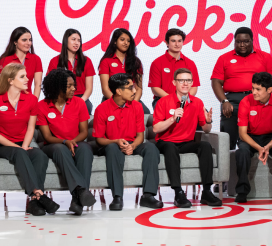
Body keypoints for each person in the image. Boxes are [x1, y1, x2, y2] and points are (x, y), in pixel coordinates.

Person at [153, 68, 222, 208]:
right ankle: (178, 193)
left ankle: (207, 191)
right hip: (166, 142)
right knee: (170, 146)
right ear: (174, 82)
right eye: (181, 80)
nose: (185, 84)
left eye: (188, 80)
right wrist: (173, 118)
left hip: (186, 143)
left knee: (205, 146)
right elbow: (155, 129)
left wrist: (208, 121)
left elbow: (206, 130)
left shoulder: (197, 102)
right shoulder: (163, 102)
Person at [93, 73, 162, 210]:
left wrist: (132, 146)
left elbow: (140, 136)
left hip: (133, 142)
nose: (134, 91)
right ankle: (117, 197)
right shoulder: (101, 109)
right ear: (118, 91)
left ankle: (148, 196)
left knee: (151, 148)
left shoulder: (137, 106)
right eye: (130, 88)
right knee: (112, 149)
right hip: (112, 144)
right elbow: (99, 139)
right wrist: (117, 142)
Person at [0, 63, 60, 216]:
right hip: (3, 143)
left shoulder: (32, 100)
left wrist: (25, 145)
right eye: (22, 76)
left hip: (21, 142)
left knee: (40, 155)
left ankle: (35, 201)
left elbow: (31, 127)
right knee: (19, 153)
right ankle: (39, 193)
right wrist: (18, 148)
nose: (28, 79)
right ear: (10, 80)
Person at [37, 68, 96, 215]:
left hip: (76, 141)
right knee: (60, 149)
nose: (74, 89)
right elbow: (47, 136)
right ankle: (81, 190)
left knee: (85, 149)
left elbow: (84, 132)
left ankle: (77, 202)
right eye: (69, 86)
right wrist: (65, 142)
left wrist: (72, 142)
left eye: (74, 85)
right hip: (53, 145)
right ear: (58, 87)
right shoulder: (42, 106)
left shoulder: (79, 103)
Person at [211, 27, 272, 150]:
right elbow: (216, 82)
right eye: (238, 42)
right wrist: (224, 101)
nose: (242, 45)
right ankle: (227, 164)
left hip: (259, 99)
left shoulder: (265, 57)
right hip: (233, 99)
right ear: (234, 42)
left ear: (252, 41)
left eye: (246, 41)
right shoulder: (224, 58)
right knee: (227, 135)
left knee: (264, 134)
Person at [235, 72, 272, 203]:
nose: (254, 92)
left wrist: (267, 147)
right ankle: (242, 191)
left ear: (269, 90)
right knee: (242, 152)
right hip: (249, 137)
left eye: (258, 89)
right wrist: (259, 148)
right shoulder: (245, 101)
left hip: (269, 137)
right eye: (253, 88)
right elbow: (242, 134)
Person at [98, 28, 150, 114]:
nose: (126, 43)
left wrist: (134, 104)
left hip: (131, 100)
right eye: (122, 40)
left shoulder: (136, 61)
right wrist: (118, 104)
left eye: (128, 41)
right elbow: (105, 89)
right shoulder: (106, 61)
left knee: (146, 113)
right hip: (112, 100)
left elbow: (139, 88)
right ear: (115, 41)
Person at [47, 29, 96, 115]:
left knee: (86, 107)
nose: (76, 43)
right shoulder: (55, 61)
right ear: (66, 41)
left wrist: (80, 101)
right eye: (73, 39)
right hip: (61, 97)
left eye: (79, 40)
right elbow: (50, 85)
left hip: (81, 97)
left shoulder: (86, 61)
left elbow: (89, 88)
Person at [148, 28, 200, 110]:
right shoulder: (157, 63)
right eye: (173, 41)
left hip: (185, 100)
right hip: (163, 100)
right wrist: (173, 100)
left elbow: (194, 87)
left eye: (179, 41)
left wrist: (183, 99)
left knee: (203, 115)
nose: (177, 44)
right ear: (166, 42)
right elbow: (155, 88)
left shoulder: (190, 63)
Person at [0, 27, 43, 98]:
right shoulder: (5, 60)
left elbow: (38, 83)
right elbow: (2, 83)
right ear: (15, 42)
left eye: (30, 40)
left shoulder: (35, 59)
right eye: (24, 40)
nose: (28, 43)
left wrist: (35, 101)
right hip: (8, 100)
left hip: (27, 100)